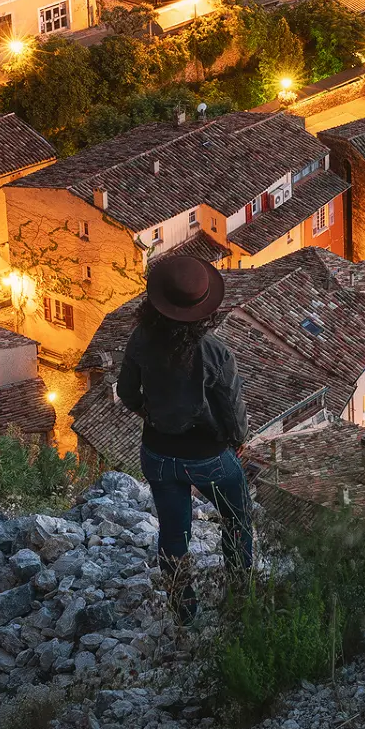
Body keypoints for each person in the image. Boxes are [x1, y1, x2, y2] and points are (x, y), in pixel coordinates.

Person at [115, 253, 252, 621]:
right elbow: (232, 410)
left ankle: (184, 611)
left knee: (174, 534)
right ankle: (240, 594)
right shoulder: (215, 352)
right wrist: (237, 439)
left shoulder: (140, 339)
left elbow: (127, 394)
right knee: (237, 518)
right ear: (203, 309)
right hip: (208, 456)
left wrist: (152, 413)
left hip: (158, 454)